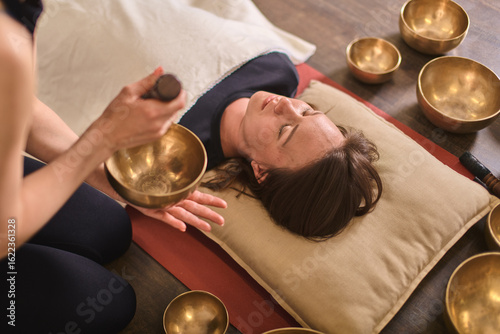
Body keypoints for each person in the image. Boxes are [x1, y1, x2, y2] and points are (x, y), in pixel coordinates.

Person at [0, 0, 226, 333]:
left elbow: (15, 109)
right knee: (108, 301)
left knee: (109, 225)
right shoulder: (8, 46)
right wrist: (103, 138)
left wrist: (105, 174)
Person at [180, 51, 383, 240]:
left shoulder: (178, 150)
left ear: (262, 172)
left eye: (284, 130)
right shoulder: (276, 70)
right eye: (307, 112)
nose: (286, 104)